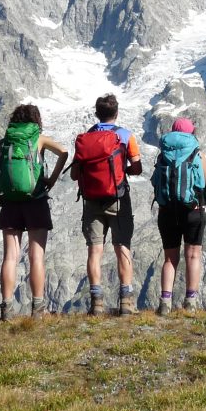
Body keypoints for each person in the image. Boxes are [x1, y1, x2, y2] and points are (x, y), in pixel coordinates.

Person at [0, 104, 68, 320]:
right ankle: (38, 309)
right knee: (36, 257)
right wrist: (51, 181)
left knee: (10, 257)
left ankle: (6, 308)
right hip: (36, 200)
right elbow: (64, 153)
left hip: (10, 202)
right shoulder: (39, 139)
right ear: (36, 120)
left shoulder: (8, 140)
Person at [71, 94, 142, 316]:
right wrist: (121, 172)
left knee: (94, 250)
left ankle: (97, 304)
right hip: (118, 199)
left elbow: (74, 173)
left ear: (96, 113)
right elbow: (138, 168)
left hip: (92, 200)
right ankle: (126, 303)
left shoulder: (86, 138)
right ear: (117, 113)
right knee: (122, 247)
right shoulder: (125, 135)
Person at [152, 117, 206, 315]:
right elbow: (205, 183)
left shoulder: (163, 155)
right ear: (191, 133)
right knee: (193, 255)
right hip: (192, 210)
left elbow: (155, 182)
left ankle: (165, 302)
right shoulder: (197, 153)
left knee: (170, 258)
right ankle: (190, 301)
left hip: (167, 211)